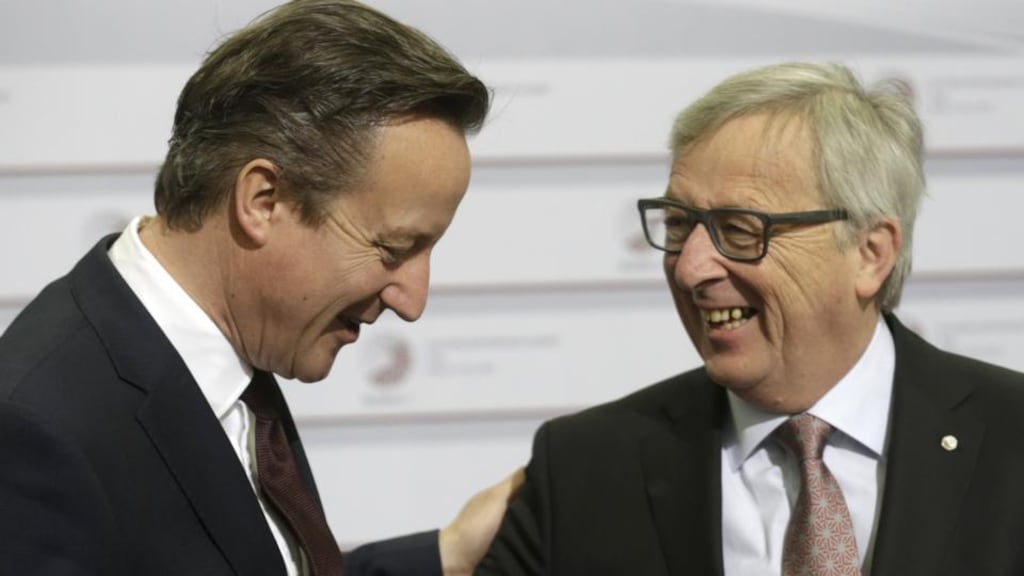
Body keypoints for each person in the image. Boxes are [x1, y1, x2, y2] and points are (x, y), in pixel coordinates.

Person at [0, 1, 521, 574]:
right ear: (263, 202)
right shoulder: (33, 434)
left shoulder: (227, 363)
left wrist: (445, 555)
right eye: (393, 248)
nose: (413, 301)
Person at [476, 62, 1024, 575]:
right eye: (677, 225)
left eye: (739, 230)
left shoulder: (1012, 437)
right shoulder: (587, 468)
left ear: (870, 253)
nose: (690, 268)